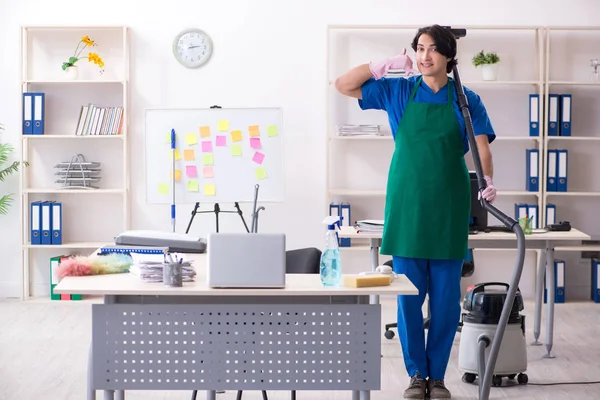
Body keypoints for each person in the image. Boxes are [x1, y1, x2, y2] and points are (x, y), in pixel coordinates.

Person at [334, 25, 497, 400]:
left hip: (450, 206)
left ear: (449, 57)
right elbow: (343, 84)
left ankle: (437, 377)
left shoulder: (466, 100)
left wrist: (488, 180)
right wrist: (380, 65)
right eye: (419, 49)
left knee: (443, 300)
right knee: (408, 298)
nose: (424, 56)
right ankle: (416, 375)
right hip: (407, 205)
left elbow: (481, 146)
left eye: (433, 50)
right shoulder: (400, 89)